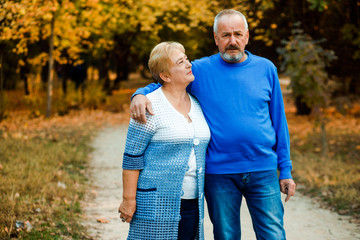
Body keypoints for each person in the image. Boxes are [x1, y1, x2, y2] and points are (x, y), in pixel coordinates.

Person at [130, 9, 296, 240]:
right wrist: (138, 94)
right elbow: (164, 79)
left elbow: (279, 122)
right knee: (226, 236)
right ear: (216, 38)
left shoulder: (266, 68)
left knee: (274, 235)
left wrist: (285, 170)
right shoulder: (199, 70)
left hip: (263, 168)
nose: (232, 41)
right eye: (225, 35)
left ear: (247, 36)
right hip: (219, 173)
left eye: (238, 34)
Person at [118, 41, 210, 240]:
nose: (188, 64)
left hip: (193, 203)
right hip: (155, 203)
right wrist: (128, 200)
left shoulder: (197, 103)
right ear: (166, 76)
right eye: (180, 62)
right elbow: (132, 157)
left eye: (186, 59)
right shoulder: (149, 105)